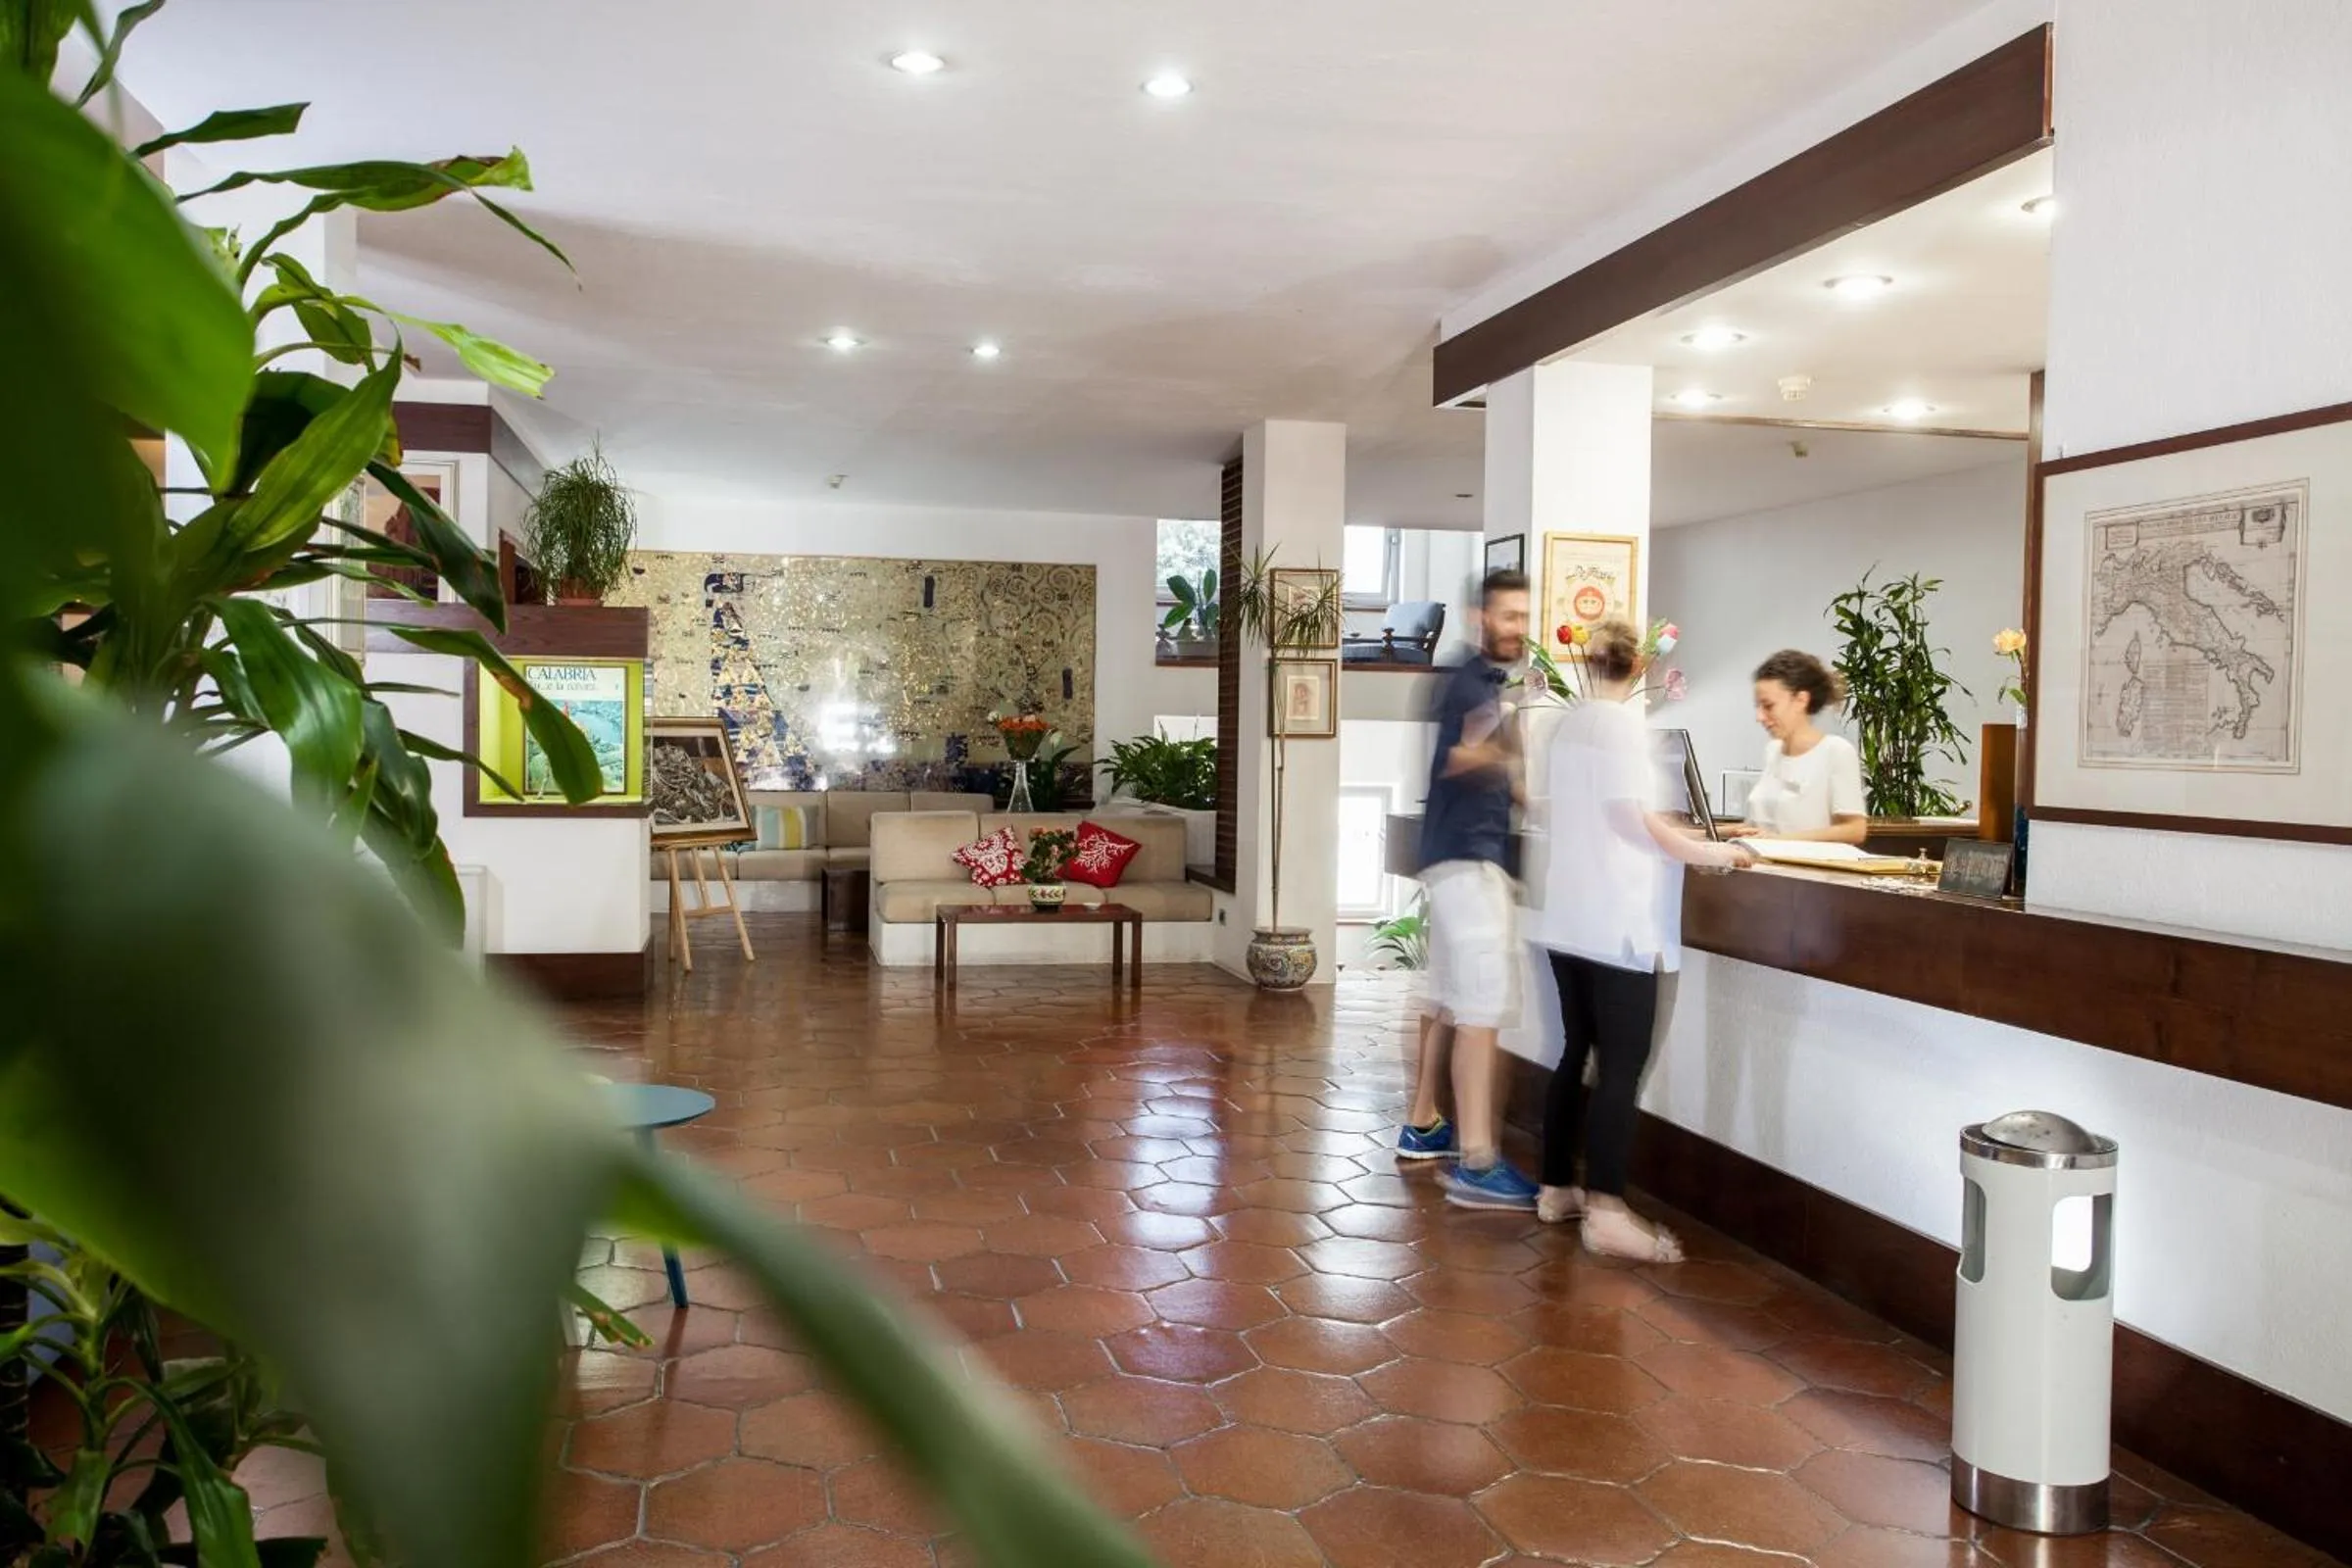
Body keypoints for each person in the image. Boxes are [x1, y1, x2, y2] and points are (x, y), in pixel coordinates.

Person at [1533, 618, 1752, 1259]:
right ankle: (1605, 1209)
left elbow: (1557, 808)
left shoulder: (1567, 723)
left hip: (1570, 919)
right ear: (1641, 668)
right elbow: (1632, 818)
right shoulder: (1624, 727)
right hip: (1618, 923)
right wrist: (1708, 850)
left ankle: (1556, 1187)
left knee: (1576, 1051)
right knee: (1623, 1065)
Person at [1397, 568, 1541, 1211]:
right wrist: (1512, 730)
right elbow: (1463, 759)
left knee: (1452, 1000)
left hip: (1460, 856)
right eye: (1510, 616)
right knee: (1482, 1008)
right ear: (1480, 616)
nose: (1519, 628)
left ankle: (1427, 1128)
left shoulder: (1481, 681)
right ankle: (1479, 1161)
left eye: (1524, 616)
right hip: (1468, 860)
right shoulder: (1473, 683)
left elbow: (1500, 775)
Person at [1721, 649, 1868, 845]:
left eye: (1768, 706)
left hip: (1812, 872)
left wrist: (1780, 840)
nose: (1760, 717)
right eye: (1758, 706)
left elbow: (1854, 830)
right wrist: (1691, 833)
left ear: (1801, 700)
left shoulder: (1836, 751)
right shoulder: (1773, 751)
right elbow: (1759, 829)